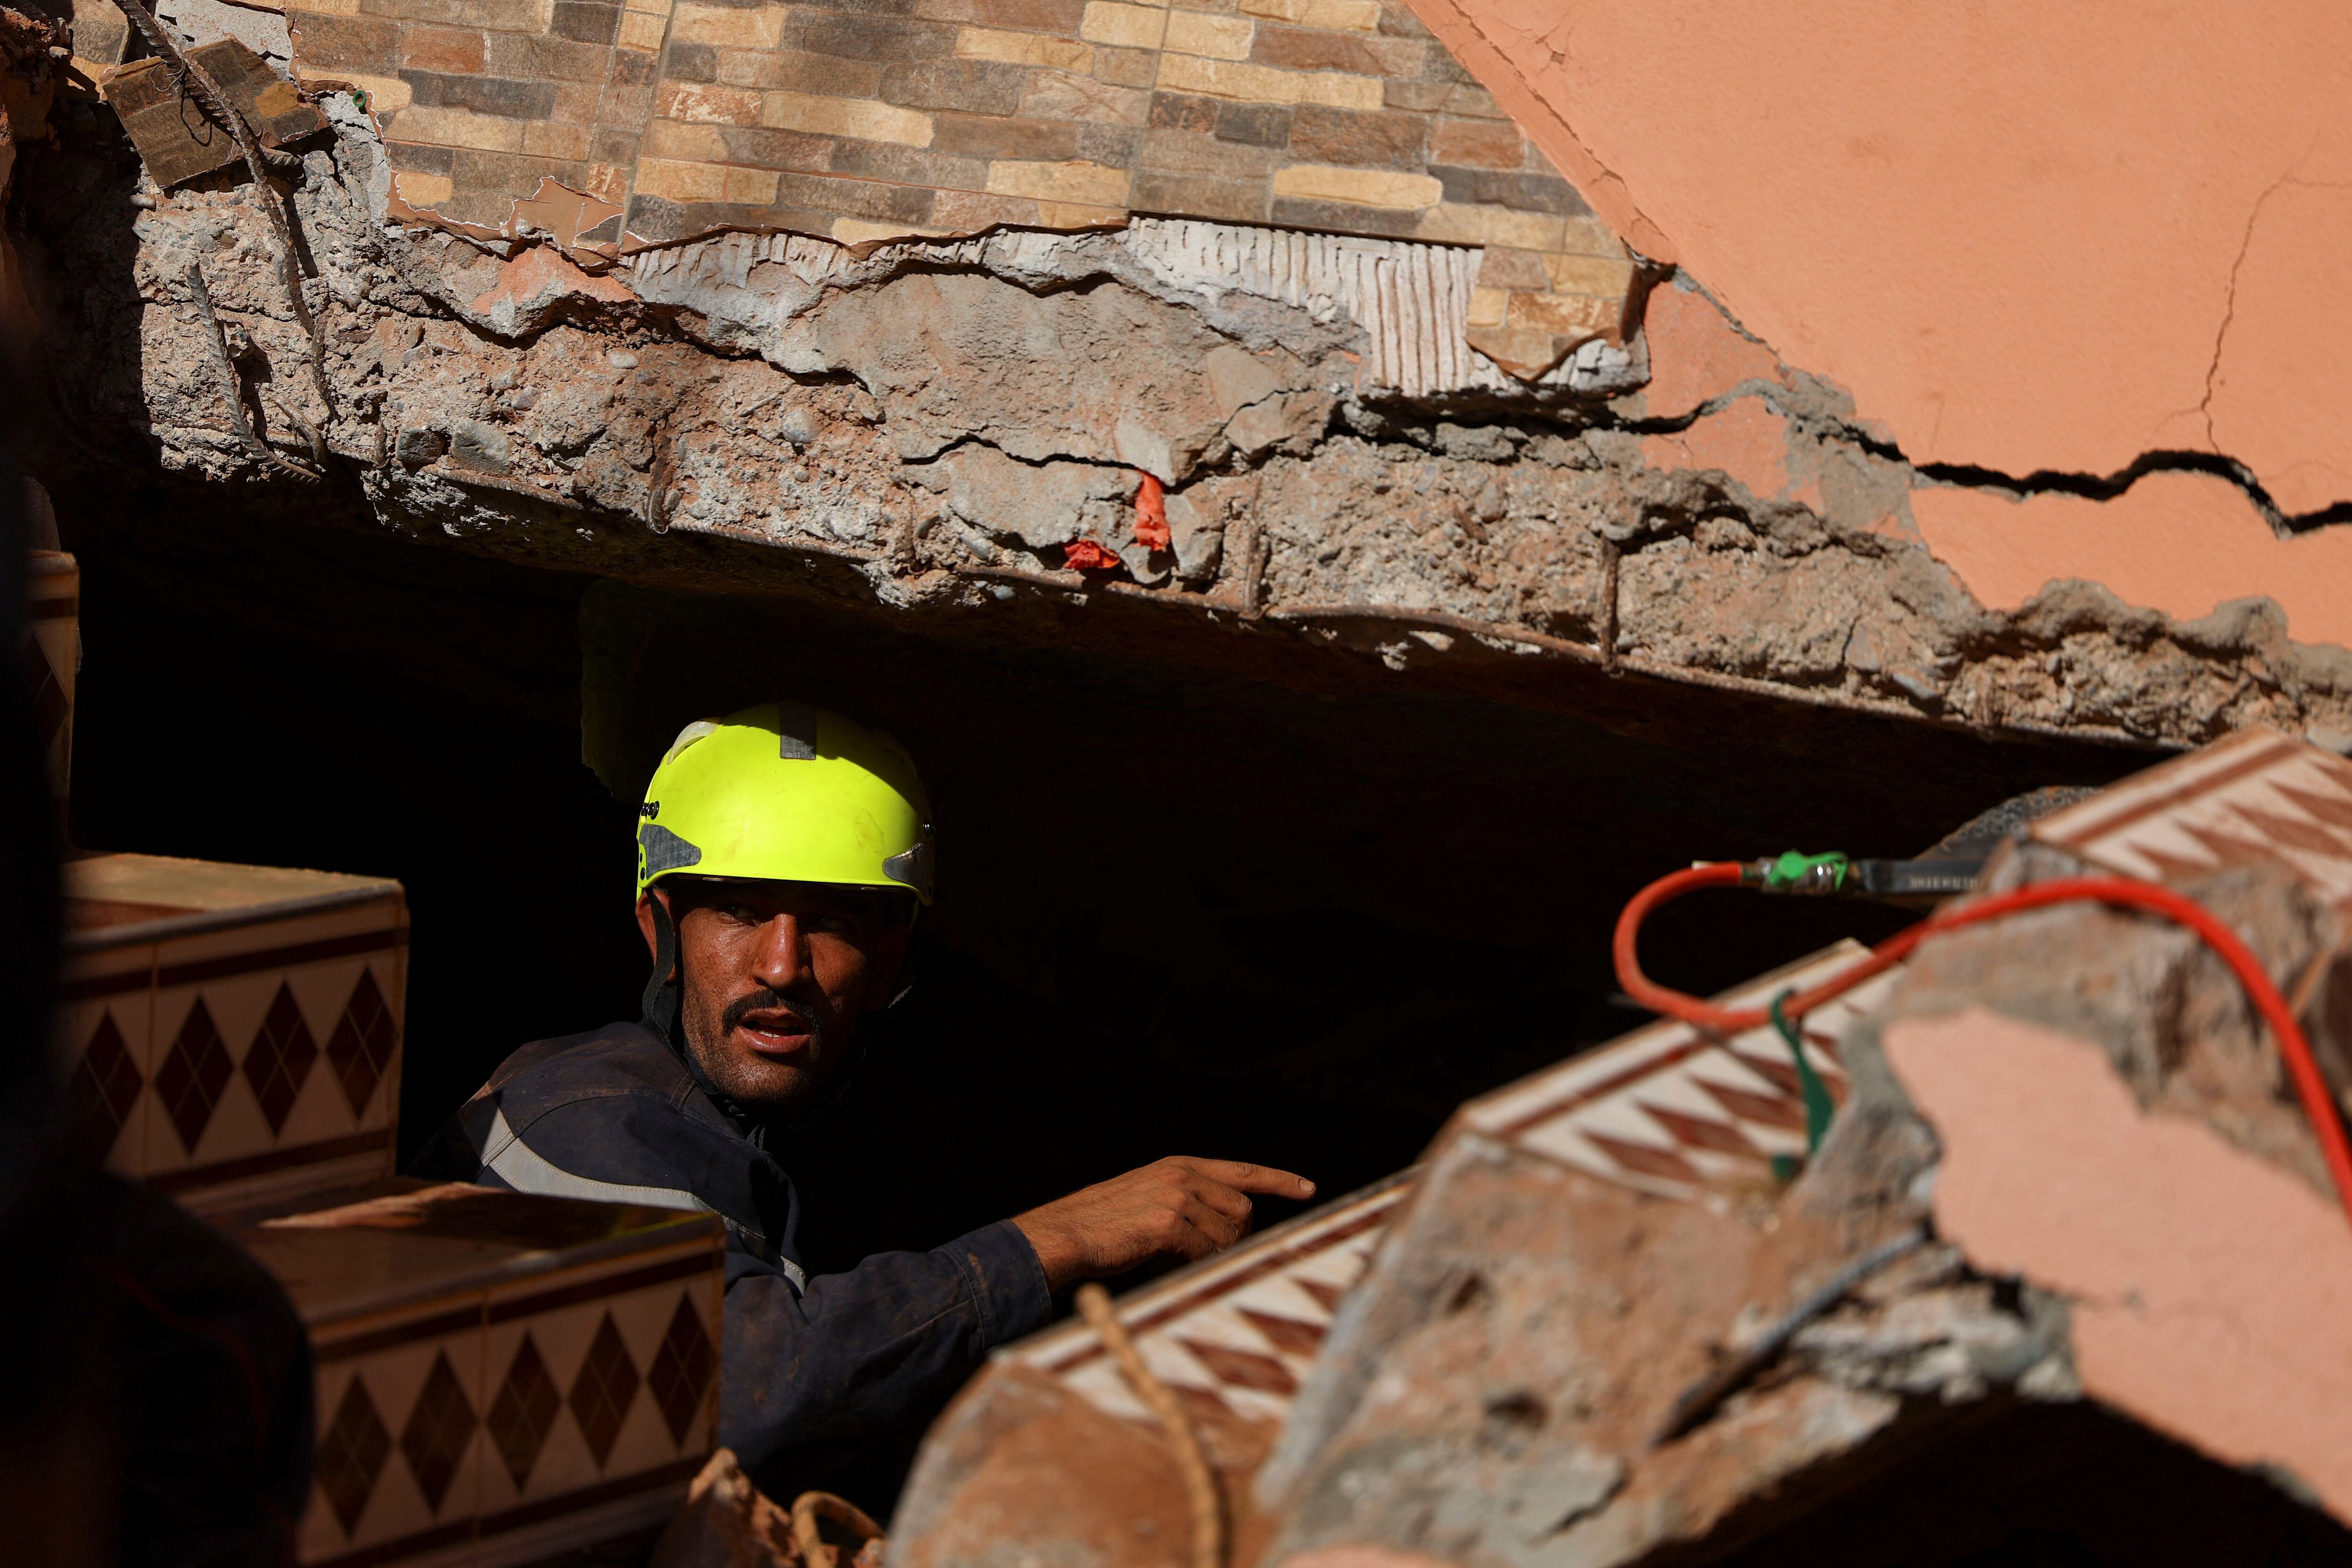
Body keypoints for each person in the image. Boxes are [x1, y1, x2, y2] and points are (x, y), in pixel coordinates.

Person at [414, 701, 1312, 1499]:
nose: (781, 965)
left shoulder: (748, 1131)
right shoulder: (583, 1118)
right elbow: (735, 1389)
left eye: (831, 921)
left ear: (888, 965)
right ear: (660, 930)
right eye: (739, 911)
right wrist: (1061, 1239)